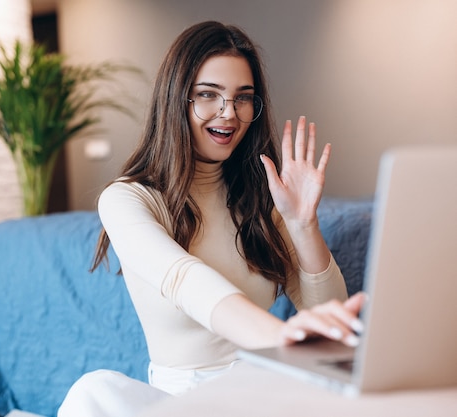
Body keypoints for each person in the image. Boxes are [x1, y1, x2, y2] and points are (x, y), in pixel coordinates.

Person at [57, 20, 365, 417]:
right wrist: (283, 336)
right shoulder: (126, 200)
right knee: (92, 392)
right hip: (181, 401)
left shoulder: (260, 200)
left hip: (263, 389)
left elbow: (332, 327)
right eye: (208, 95)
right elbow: (185, 280)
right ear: (175, 99)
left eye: (243, 97)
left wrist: (304, 224)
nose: (228, 113)